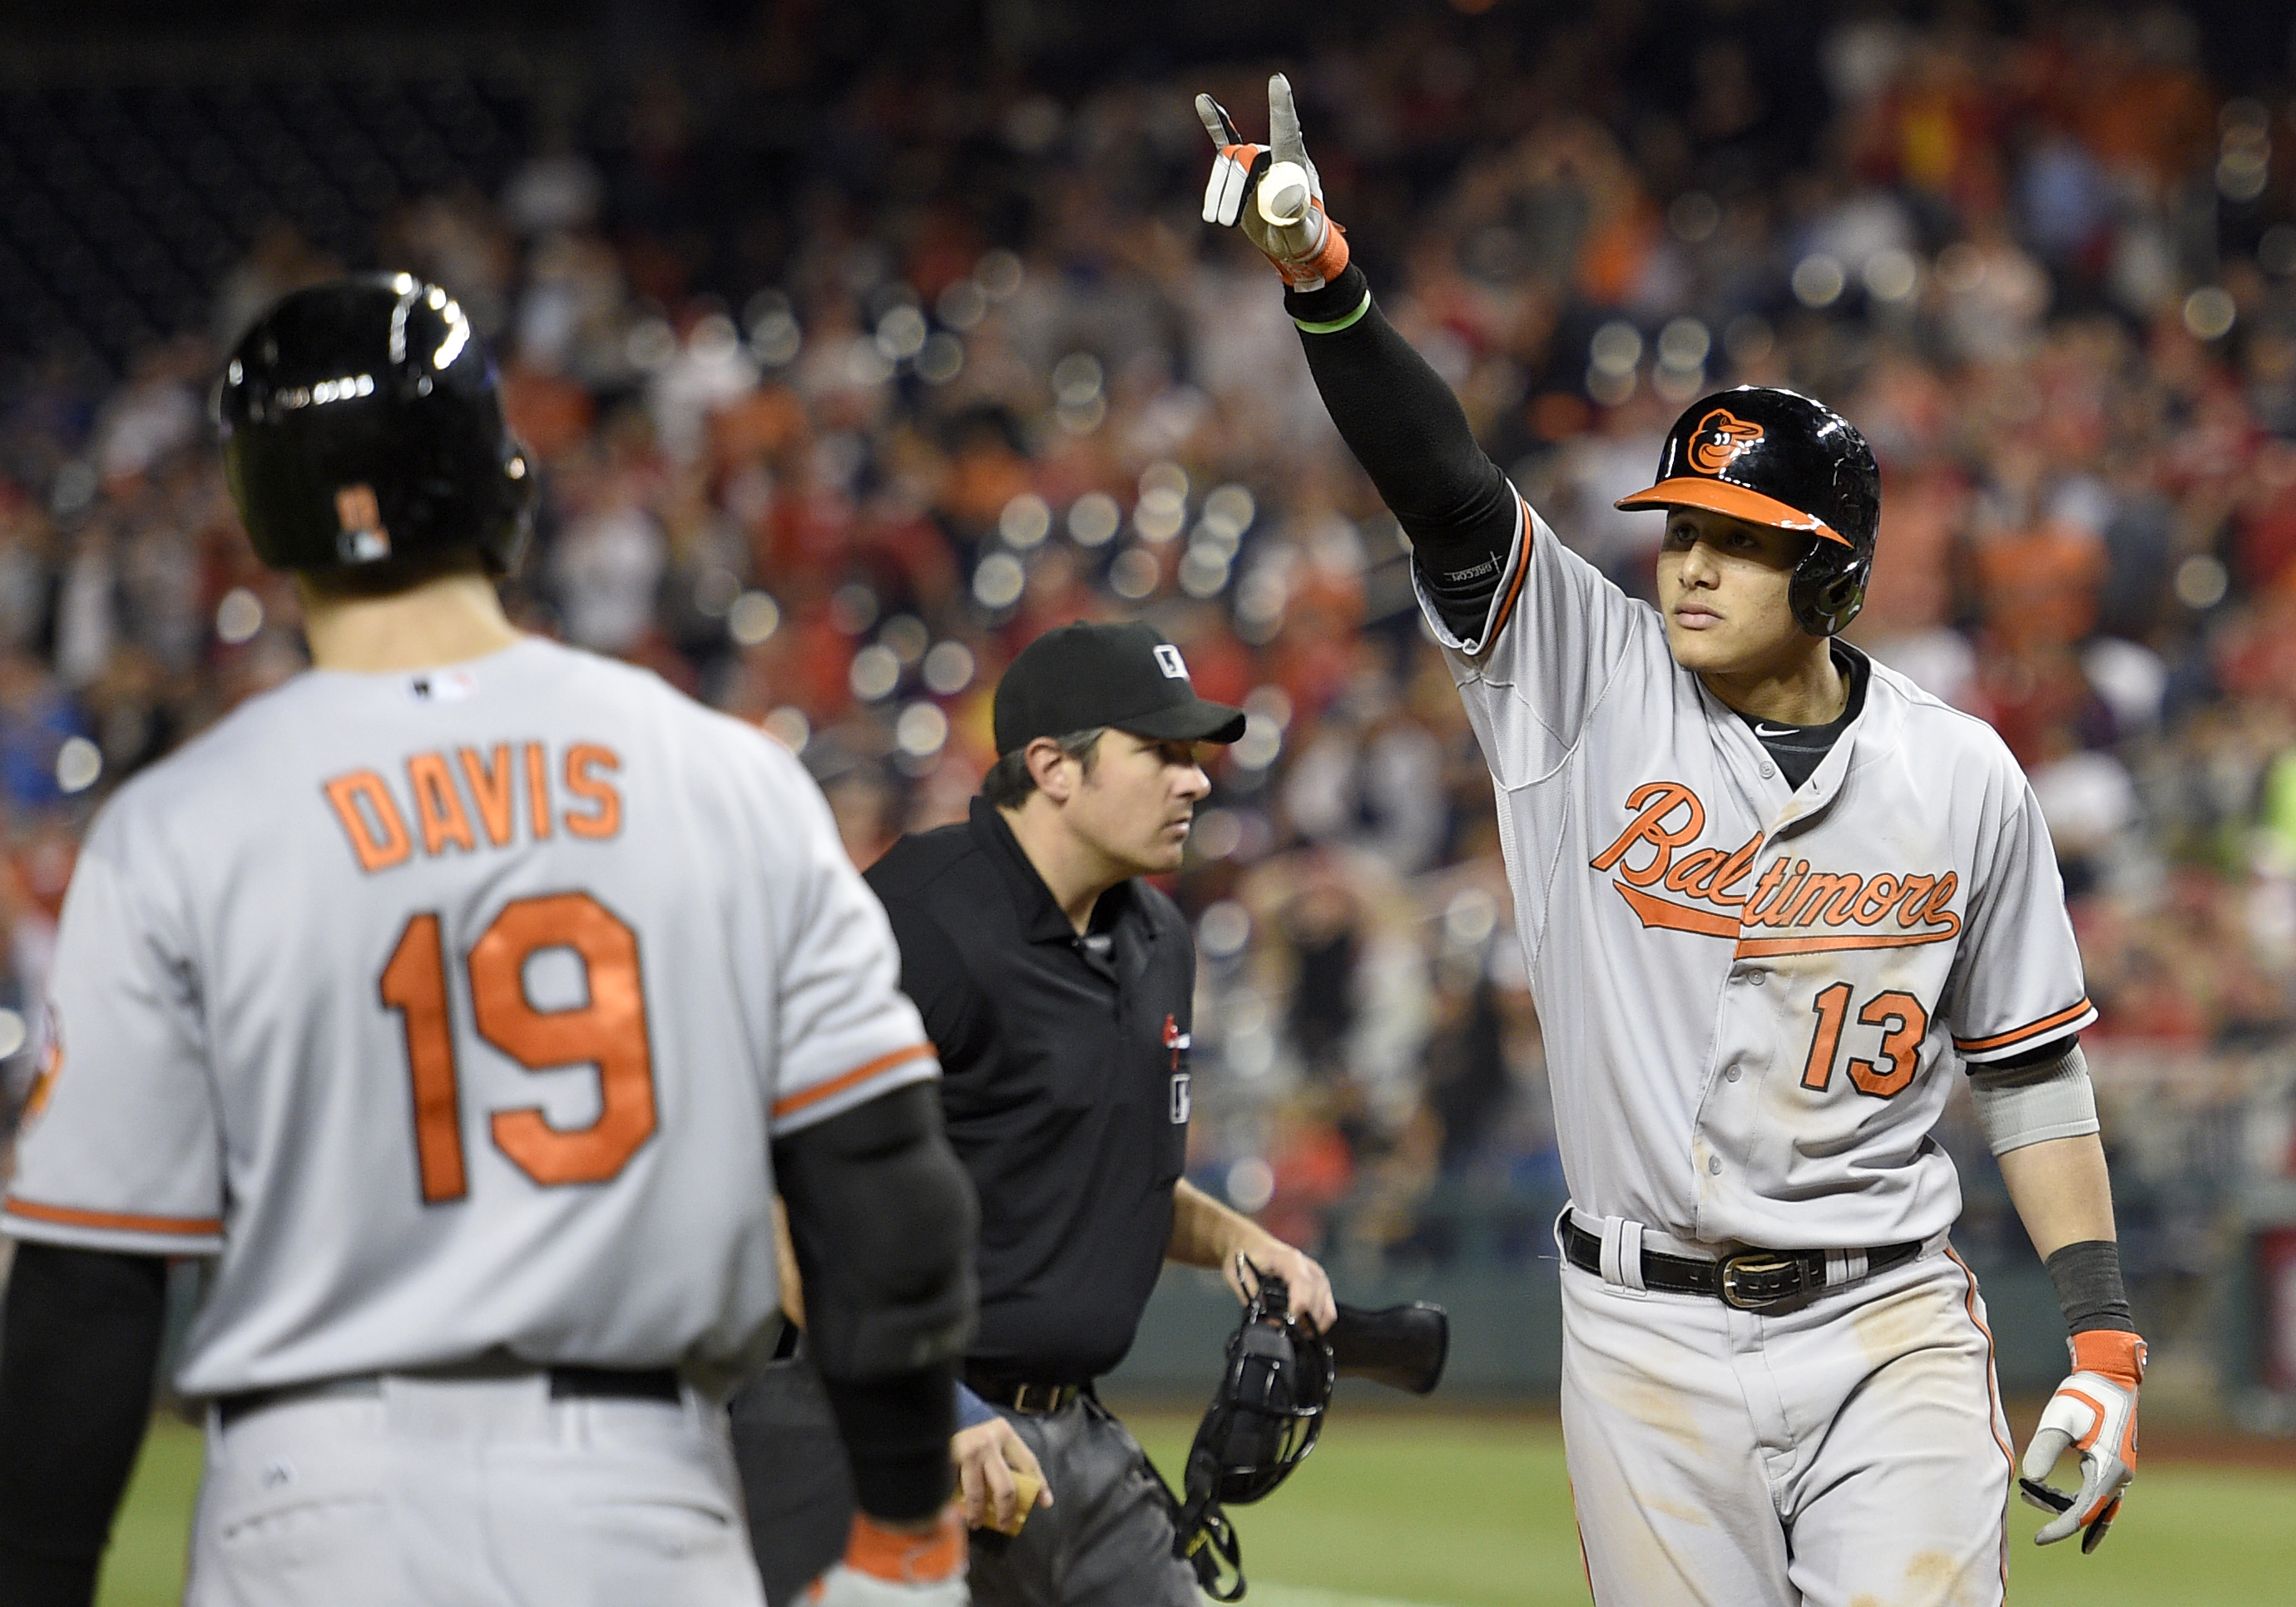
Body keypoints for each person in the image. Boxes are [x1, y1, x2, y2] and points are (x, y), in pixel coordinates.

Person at [1200, 78, 2146, 1606]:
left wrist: (2102, 1339)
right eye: (1683, 529)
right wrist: (1324, 282)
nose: (1690, 563)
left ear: (1829, 575)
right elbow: (1444, 491)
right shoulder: (1587, 677)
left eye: (1740, 541)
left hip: (1884, 1321)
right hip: (1643, 1335)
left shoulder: (1962, 772)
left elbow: (2032, 1068)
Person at [0, 274, 977, 1607]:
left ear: (262, 512)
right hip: (640, 1503)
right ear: (496, 478)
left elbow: (86, 1291)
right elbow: (883, 1187)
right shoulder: (724, 778)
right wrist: (908, 1534)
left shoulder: (180, 823)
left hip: (309, 1508)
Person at [855, 620, 1338, 1607]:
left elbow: (1112, 1179)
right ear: (1052, 768)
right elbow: (789, 1190)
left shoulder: (1157, 935)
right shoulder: (918, 918)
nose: (1197, 779)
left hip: (1075, 1435)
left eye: (1195, 755)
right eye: (1160, 752)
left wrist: (1245, 1243)